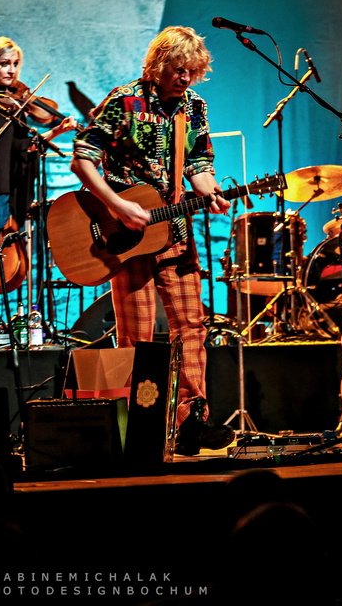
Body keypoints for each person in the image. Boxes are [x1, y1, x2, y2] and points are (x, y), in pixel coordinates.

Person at [71, 26, 234, 454]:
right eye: (178, 69)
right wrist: (116, 204)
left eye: (192, 71)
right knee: (138, 336)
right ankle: (139, 429)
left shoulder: (194, 106)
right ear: (158, 65)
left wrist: (211, 192)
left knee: (191, 327)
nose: (186, 78)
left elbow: (199, 163)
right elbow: (83, 157)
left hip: (174, 231)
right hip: (126, 238)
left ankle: (192, 422)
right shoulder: (125, 100)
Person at [0, 37, 76, 237]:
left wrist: (57, 131)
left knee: (2, 248)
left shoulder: (14, 107)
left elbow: (25, 147)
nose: (12, 70)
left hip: (7, 192)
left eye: (15, 64)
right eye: (4, 64)